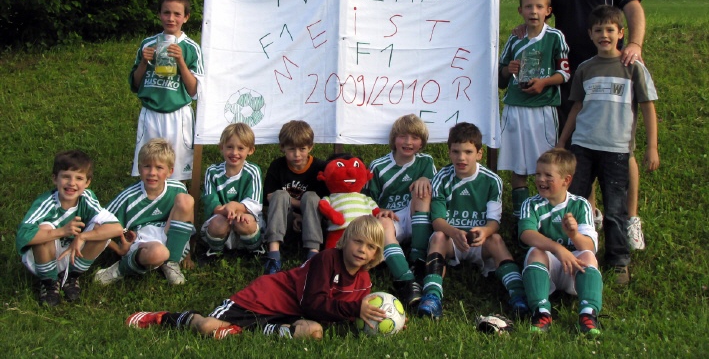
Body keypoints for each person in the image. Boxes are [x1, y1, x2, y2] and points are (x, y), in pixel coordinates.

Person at [538, 0, 648, 249]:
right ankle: (593, 212)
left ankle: (630, 220)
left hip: (613, 67)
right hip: (571, 73)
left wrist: (634, 43)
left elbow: (633, 7)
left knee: (620, 146)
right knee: (580, 144)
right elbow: (539, 15)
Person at [125, 215, 387, 340]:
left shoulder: (364, 281)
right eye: (358, 242)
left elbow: (354, 312)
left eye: (371, 247)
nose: (362, 250)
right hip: (264, 300)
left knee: (314, 332)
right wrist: (355, 309)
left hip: (290, 315)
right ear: (346, 240)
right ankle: (162, 317)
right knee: (206, 327)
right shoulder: (327, 259)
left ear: (376, 253)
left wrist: (384, 318)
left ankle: (245, 330)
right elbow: (313, 304)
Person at [558, 6, 659, 285]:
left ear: (621, 33)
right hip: (582, 146)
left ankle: (618, 260)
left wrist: (652, 147)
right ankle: (577, 249)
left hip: (616, 150)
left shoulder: (632, 67)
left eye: (610, 30)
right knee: (576, 202)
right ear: (590, 34)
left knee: (615, 208)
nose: (604, 35)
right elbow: (576, 107)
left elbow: (648, 108)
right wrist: (563, 141)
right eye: (598, 30)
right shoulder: (585, 68)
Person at [417, 122, 528, 320]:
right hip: (452, 239)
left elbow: (494, 222)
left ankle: (518, 294)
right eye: (456, 151)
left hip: (479, 241)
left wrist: (485, 232)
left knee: (496, 240)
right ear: (449, 152)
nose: (461, 158)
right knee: (438, 237)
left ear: (479, 154)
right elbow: (437, 220)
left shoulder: (492, 180)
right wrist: (454, 232)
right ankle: (432, 296)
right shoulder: (442, 178)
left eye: (468, 152)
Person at [499, 0, 570, 218]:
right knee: (518, 165)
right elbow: (500, 75)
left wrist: (544, 82)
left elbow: (565, 73)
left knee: (548, 165)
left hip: (543, 108)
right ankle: (521, 216)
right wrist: (508, 70)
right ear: (520, 10)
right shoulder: (515, 37)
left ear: (548, 11)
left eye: (539, 6)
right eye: (529, 6)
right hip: (515, 108)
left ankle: (548, 213)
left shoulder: (555, 37)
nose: (534, 11)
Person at [16, 150, 122, 306]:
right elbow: (23, 235)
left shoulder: (86, 198)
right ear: (55, 178)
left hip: (72, 253)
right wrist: (61, 231)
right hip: (42, 257)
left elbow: (116, 228)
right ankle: (49, 282)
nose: (72, 183)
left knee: (100, 228)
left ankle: (71, 277)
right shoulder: (46, 203)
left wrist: (82, 237)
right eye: (66, 176)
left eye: (79, 178)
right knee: (45, 228)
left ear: (87, 183)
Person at [519, 148, 603, 335]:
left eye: (548, 175)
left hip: (574, 268)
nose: (541, 179)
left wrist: (574, 235)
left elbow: (589, 246)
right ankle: (541, 312)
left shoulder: (580, 205)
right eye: (538, 174)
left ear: (566, 180)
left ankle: (588, 315)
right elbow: (526, 233)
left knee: (588, 257)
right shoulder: (531, 204)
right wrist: (558, 249)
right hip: (548, 266)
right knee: (535, 252)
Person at [94, 139, 195, 285]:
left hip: (168, 236)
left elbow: (186, 220)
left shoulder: (178, 188)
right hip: (142, 242)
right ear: (139, 169)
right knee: (159, 253)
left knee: (186, 200)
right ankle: (120, 269)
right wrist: (118, 249)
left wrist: (187, 254)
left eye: (159, 168)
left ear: (170, 171)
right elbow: (98, 224)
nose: (152, 173)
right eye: (147, 166)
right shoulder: (128, 198)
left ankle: (171, 262)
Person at [129, 0, 204, 181]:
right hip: (151, 113)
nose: (171, 18)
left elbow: (194, 90)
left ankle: (178, 196)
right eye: (166, 12)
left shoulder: (191, 48)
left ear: (186, 17)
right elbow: (136, 84)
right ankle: (149, 195)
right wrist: (144, 62)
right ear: (159, 14)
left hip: (178, 114)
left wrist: (181, 61)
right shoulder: (148, 44)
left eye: (177, 14)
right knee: (149, 165)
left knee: (177, 168)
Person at [364, 114, 436, 309]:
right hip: (391, 218)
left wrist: (425, 180)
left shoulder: (426, 162)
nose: (408, 142)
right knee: (383, 222)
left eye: (415, 138)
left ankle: (418, 260)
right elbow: (366, 199)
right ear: (394, 139)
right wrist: (379, 209)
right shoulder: (378, 166)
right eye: (403, 136)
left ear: (422, 143)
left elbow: (436, 194)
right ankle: (406, 280)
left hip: (415, 215)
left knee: (423, 191)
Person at [262, 120, 328, 274]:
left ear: (310, 147)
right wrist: (296, 209)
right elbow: (268, 197)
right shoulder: (277, 166)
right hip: (283, 221)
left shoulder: (319, 167)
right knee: (280, 194)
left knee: (311, 197)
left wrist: (302, 214)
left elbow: (324, 202)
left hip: (312, 223)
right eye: (291, 149)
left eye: (302, 149)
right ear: (282, 147)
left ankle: (313, 254)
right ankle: (273, 254)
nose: (297, 154)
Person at [200, 123, 264, 258]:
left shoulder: (253, 171)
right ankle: (215, 251)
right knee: (217, 224)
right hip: (221, 216)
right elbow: (211, 201)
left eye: (241, 148)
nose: (234, 153)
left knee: (245, 222)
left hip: (245, 215)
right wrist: (226, 211)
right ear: (221, 147)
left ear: (250, 150)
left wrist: (235, 207)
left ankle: (255, 249)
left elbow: (255, 203)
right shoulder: (212, 172)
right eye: (229, 147)